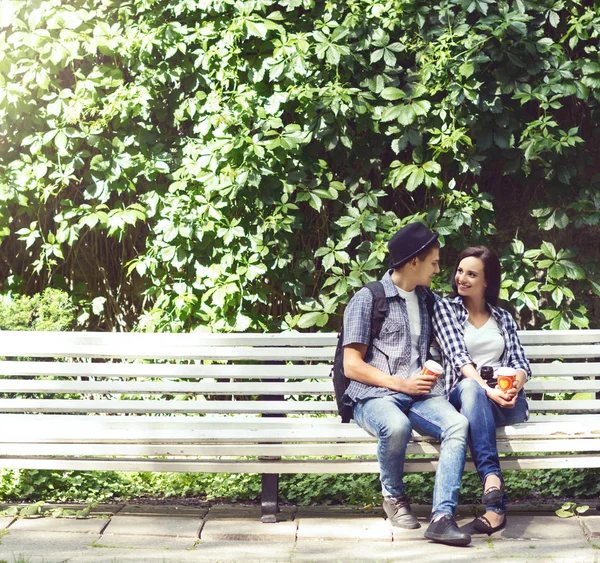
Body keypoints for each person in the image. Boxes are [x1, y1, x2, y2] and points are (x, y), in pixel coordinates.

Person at [342, 222, 471, 547]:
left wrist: (428, 378)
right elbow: (351, 366)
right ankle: (394, 497)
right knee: (396, 426)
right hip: (374, 397)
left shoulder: (427, 301)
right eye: (434, 262)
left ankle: (442, 518)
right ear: (414, 261)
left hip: (419, 395)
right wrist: (401, 384)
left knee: (457, 424)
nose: (439, 270)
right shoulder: (368, 298)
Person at [433, 246, 530, 535]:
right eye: (460, 271)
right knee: (473, 392)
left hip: (506, 401)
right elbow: (459, 357)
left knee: (481, 405)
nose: (462, 278)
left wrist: (515, 385)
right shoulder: (445, 310)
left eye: (472, 274)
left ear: (487, 281)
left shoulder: (502, 317)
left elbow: (520, 362)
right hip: (464, 397)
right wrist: (488, 391)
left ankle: (494, 501)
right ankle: (492, 484)